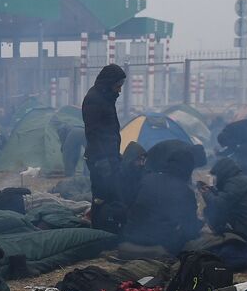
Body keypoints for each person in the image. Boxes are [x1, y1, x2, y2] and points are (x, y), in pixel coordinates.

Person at [121, 139, 201, 253]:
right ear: (188, 169)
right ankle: (155, 252)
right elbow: (190, 228)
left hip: (131, 236)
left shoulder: (147, 178)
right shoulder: (186, 192)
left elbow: (129, 205)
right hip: (158, 242)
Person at [198, 157, 247, 269]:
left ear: (222, 172)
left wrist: (207, 194)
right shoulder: (240, 180)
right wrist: (212, 191)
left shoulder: (235, 183)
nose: (216, 179)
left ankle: (227, 236)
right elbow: (227, 199)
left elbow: (219, 205)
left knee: (211, 210)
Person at [82, 64, 126, 232]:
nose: (119, 90)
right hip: (100, 158)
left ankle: (107, 227)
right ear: (109, 82)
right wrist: (103, 160)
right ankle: (100, 229)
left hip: (109, 156)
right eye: (118, 86)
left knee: (110, 194)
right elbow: (93, 133)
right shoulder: (94, 99)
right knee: (102, 195)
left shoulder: (106, 97)